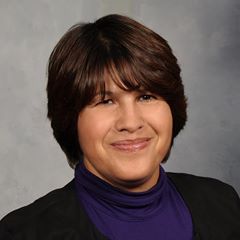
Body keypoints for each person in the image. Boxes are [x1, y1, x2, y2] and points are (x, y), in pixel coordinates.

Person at [0, 14, 240, 240]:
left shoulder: (223, 204)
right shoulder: (24, 232)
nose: (131, 122)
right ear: (71, 119)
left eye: (146, 97)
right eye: (105, 101)